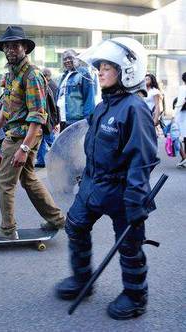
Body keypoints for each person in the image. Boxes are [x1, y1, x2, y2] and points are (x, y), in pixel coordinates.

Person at [55, 37, 159, 320]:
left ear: (127, 70)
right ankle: (82, 280)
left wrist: (137, 200)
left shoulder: (134, 109)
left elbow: (143, 159)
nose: (99, 71)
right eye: (99, 66)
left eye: (106, 67)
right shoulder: (102, 107)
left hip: (122, 190)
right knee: (75, 226)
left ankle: (136, 296)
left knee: (129, 245)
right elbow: (85, 145)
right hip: (93, 185)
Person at [0, 26, 66, 239]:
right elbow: (7, 106)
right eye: (7, 46)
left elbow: (38, 116)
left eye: (15, 45)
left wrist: (23, 148)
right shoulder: (13, 73)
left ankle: (7, 229)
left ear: (25, 48)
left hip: (23, 136)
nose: (10, 50)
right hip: (16, 133)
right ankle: (57, 219)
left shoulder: (32, 76)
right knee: (29, 178)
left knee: (5, 183)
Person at [56, 49, 97, 131]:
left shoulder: (84, 74)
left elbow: (89, 98)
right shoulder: (64, 75)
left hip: (76, 122)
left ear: (77, 58)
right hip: (63, 120)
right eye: (65, 59)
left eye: (70, 58)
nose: (67, 61)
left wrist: (86, 122)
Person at [35, 68, 58, 168]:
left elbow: (54, 105)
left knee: (50, 140)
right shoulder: (46, 86)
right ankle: (41, 160)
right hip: (46, 118)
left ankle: (61, 159)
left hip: (47, 119)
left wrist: (55, 120)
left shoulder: (50, 86)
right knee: (43, 140)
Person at [173, 72, 186, 168]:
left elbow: (180, 102)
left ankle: (184, 158)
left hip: (182, 114)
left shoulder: (182, 88)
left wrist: (174, 114)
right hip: (183, 114)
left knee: (180, 137)